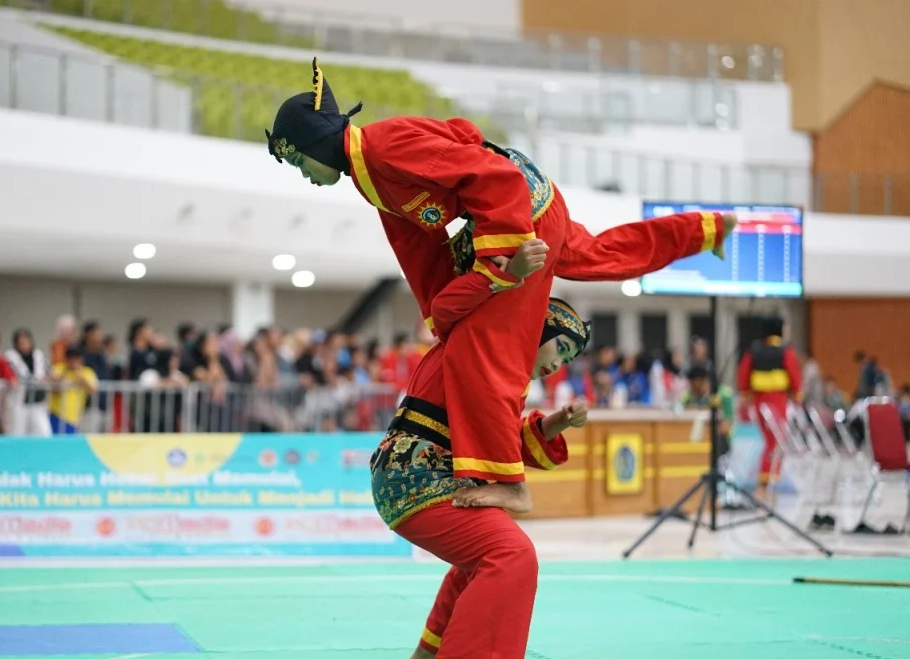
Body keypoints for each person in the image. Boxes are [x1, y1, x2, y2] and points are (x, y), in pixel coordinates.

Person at [267, 58, 735, 510]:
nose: (305, 175)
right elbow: (417, 246)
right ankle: (706, 229)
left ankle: (509, 483)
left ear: (317, 142)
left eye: (301, 162)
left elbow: (495, 176)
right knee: (604, 255)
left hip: (519, 212)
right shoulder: (371, 170)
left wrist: (500, 266)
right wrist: (440, 310)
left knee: (480, 347)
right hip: (537, 205)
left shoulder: (385, 148)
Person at [372, 292, 592, 659]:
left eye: (567, 359)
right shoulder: (481, 346)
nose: (558, 364)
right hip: (416, 477)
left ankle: (429, 653)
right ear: (535, 328)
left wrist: (557, 421)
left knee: (485, 549)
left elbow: (498, 438)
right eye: (560, 348)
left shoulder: (498, 364)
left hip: (409, 474)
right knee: (510, 552)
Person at [736, 316, 802, 487]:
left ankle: (768, 473)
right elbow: (794, 375)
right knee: (776, 438)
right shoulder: (785, 351)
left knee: (767, 437)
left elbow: (743, 375)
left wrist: (745, 395)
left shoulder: (753, 352)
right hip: (778, 399)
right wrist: (797, 394)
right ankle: (770, 474)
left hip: (758, 400)